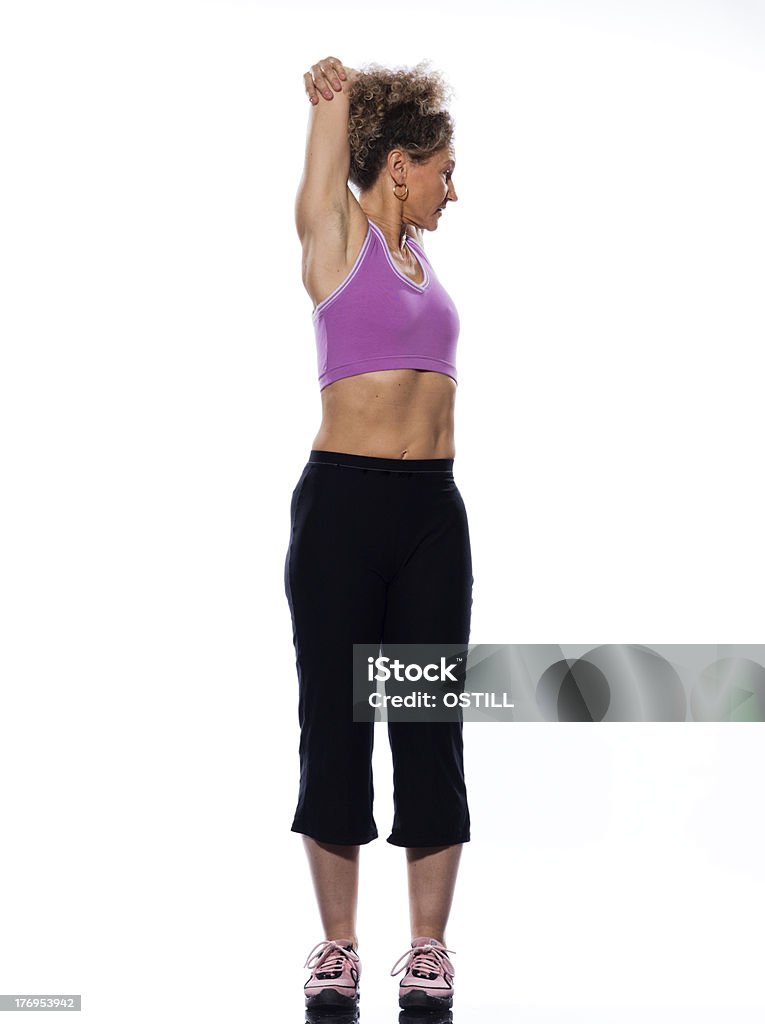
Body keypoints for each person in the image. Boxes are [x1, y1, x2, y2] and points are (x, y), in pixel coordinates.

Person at [284, 54, 472, 1014]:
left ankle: (428, 950)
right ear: (399, 165)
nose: (456, 185)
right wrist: (334, 105)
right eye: (445, 166)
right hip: (344, 512)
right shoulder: (341, 240)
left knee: (430, 729)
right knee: (338, 725)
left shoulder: (418, 261)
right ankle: (338, 949)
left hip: (432, 517)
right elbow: (322, 186)